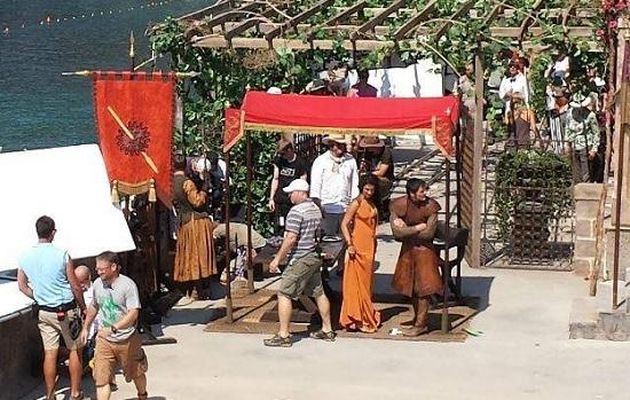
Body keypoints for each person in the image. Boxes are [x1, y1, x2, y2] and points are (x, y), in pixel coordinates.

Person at [17, 216, 86, 400]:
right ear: (53, 232)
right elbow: (75, 286)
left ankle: (50, 394)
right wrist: (83, 307)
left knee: (50, 353)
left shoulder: (24, 256)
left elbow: (22, 285)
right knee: (75, 349)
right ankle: (75, 392)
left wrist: (39, 296)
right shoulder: (62, 255)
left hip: (44, 311)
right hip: (66, 309)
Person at [264, 179, 335, 347]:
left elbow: (291, 238)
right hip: (314, 255)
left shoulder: (296, 212)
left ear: (299, 193)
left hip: (300, 257)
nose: (289, 196)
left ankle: (283, 334)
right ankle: (327, 329)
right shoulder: (315, 208)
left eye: (291, 193)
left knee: (284, 293)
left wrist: (277, 259)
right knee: (318, 292)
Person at [80, 251, 149, 400]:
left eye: (101, 269)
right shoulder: (97, 284)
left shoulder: (128, 285)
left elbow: (133, 313)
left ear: (113, 267)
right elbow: (94, 306)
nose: (98, 272)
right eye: (97, 269)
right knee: (101, 379)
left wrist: (114, 328)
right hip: (104, 340)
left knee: (136, 373)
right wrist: (86, 327)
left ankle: (142, 395)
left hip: (127, 339)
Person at [389, 179, 443, 337]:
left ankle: (421, 324)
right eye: (421, 191)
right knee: (411, 287)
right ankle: (418, 319)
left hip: (425, 251)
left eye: (425, 190)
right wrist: (417, 227)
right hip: (408, 250)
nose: (425, 194)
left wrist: (405, 229)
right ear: (411, 193)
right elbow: (397, 234)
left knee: (423, 288)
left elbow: (428, 234)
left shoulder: (431, 206)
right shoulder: (399, 204)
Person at [339, 175, 381, 333]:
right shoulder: (356, 203)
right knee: (357, 284)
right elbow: (344, 224)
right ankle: (358, 318)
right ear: (362, 188)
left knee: (366, 284)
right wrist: (349, 244)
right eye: (366, 189)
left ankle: (363, 315)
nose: (369, 192)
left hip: (369, 246)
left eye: (372, 190)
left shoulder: (372, 203)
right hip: (358, 246)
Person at [172, 153, 217, 301]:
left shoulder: (171, 182)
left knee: (188, 256)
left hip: (183, 222)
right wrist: (204, 190)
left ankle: (190, 289)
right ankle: (198, 290)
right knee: (197, 256)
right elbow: (197, 202)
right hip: (194, 223)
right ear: (185, 165)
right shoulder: (187, 183)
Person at [76, 265, 118, 392]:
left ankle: (109, 380)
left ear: (89, 278)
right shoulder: (75, 292)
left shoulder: (99, 290)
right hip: (84, 332)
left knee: (103, 355)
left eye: (82, 282)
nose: (80, 285)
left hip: (99, 329)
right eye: (77, 282)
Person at [310, 133, 359, 237]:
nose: (341, 147)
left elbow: (355, 185)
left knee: (346, 240)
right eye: (338, 144)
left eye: (342, 144)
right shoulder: (320, 161)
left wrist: (353, 206)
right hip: (327, 209)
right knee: (328, 240)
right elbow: (315, 187)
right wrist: (319, 209)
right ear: (331, 145)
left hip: (346, 209)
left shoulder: (351, 161)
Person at [268, 138, 309, 232]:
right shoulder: (279, 161)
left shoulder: (300, 162)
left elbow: (302, 183)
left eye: (283, 153)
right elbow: (275, 178)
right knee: (280, 224)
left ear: (289, 150)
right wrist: (271, 198)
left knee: (292, 225)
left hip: (293, 200)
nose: (282, 156)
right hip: (280, 198)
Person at [565, 93, 601, 183]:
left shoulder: (590, 115)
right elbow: (567, 129)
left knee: (586, 173)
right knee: (576, 172)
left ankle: (586, 188)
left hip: (586, 146)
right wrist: (567, 144)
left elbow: (596, 133)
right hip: (574, 145)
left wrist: (594, 149)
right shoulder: (570, 114)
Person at [357, 135, 393, 213]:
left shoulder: (386, 152)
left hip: (384, 179)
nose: (366, 149)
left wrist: (366, 174)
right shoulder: (367, 153)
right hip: (370, 175)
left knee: (375, 185)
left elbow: (381, 172)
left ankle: (380, 207)